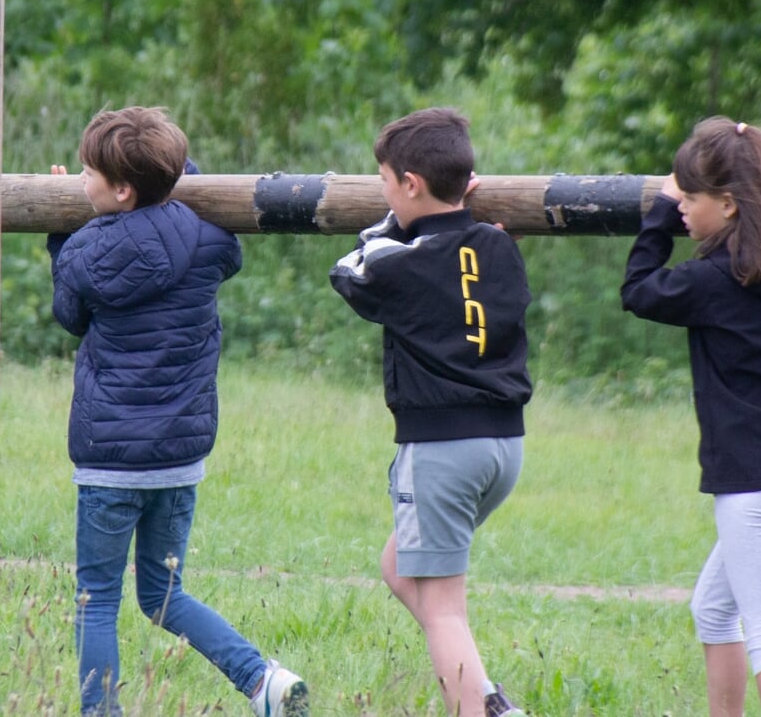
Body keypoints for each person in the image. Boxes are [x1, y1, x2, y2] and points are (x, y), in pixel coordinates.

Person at [47, 107, 307, 717]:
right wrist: (170, 173)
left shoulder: (84, 253)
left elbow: (71, 315)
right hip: (180, 458)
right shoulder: (210, 241)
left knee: (98, 600)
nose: (81, 181)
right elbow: (212, 244)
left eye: (88, 174)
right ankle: (260, 679)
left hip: (111, 460)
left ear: (121, 190)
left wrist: (61, 237)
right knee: (164, 595)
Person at [619, 117, 761, 717]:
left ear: (731, 204)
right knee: (714, 609)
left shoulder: (712, 280)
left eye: (689, 198)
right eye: (677, 197)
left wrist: (656, 213)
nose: (681, 206)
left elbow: (638, 290)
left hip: (753, 482)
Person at [329, 107, 532, 717]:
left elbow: (350, 270)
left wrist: (393, 221)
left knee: (444, 611)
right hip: (504, 448)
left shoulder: (402, 261)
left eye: (386, 182)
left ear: (411, 186)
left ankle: (478, 709)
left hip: (443, 449)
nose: (384, 193)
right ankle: (491, 698)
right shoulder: (498, 244)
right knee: (399, 568)